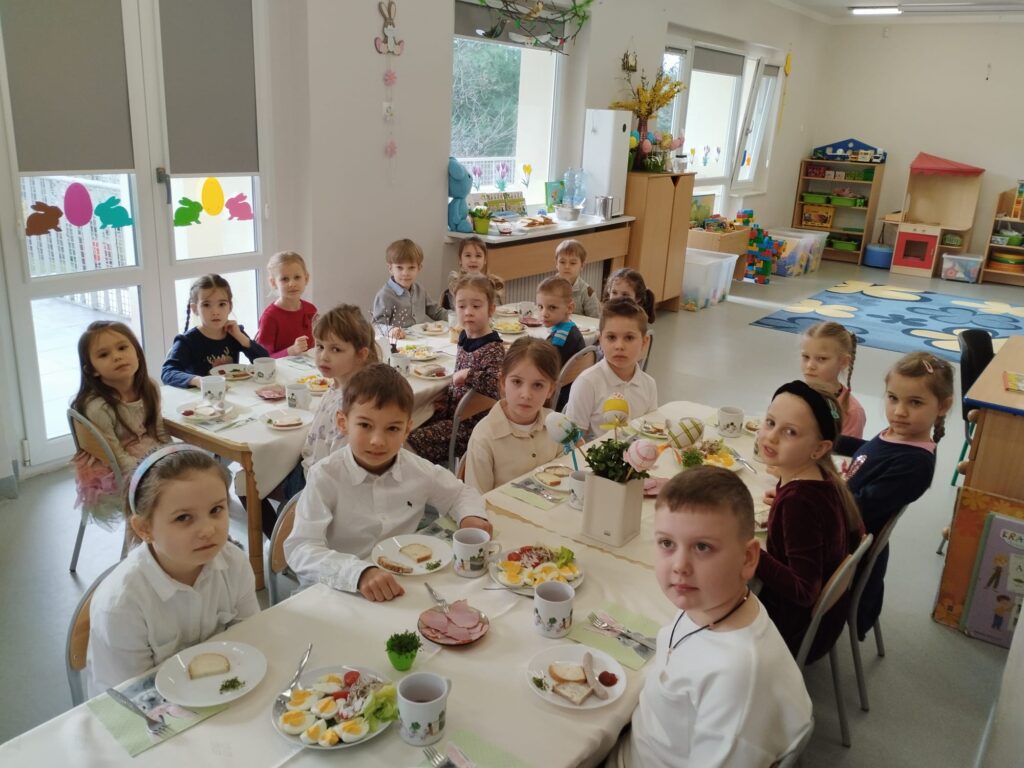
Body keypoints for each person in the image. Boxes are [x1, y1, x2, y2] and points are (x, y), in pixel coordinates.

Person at [606, 467, 812, 767]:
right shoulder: (711, 602)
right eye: (666, 543)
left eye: (702, 547)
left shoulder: (736, 679)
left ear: (748, 558)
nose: (679, 565)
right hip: (641, 739)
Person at [283, 364, 491, 602]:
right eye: (365, 425)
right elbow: (301, 549)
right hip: (340, 589)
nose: (377, 441)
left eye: (392, 428)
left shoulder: (417, 469)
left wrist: (471, 516)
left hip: (400, 584)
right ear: (343, 422)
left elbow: (460, 494)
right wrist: (358, 573)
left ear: (407, 429)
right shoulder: (325, 476)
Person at [86, 445, 259, 696]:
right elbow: (131, 695)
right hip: (148, 709)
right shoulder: (122, 604)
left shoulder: (234, 563)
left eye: (216, 510)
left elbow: (251, 639)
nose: (207, 530)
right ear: (144, 528)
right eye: (183, 518)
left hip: (222, 692)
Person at [834, 351, 953, 638]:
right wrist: (824, 438)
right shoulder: (897, 436)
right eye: (893, 398)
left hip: (843, 546)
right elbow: (870, 452)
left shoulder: (914, 465)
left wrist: (816, 491)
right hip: (840, 518)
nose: (899, 411)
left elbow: (857, 508)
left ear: (943, 406)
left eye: (915, 402)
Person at [755, 381, 864, 663]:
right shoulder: (822, 478)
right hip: (821, 624)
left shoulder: (799, 502)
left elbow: (804, 590)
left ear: (818, 449)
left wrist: (751, 551)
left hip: (790, 632)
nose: (771, 437)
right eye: (770, 422)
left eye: (790, 432)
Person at [272, 305, 381, 518]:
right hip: (313, 471)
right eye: (320, 346)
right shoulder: (338, 385)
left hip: (317, 483)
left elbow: (339, 468)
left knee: (250, 483)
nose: (323, 356)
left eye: (336, 349)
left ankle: (284, 532)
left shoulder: (353, 404)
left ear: (361, 354)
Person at [72, 321, 171, 527]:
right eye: (104, 355)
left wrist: (172, 458)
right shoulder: (99, 408)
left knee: (194, 474)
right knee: (180, 492)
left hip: (144, 450)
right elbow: (116, 457)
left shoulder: (149, 387)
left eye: (123, 348)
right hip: (116, 470)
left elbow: (159, 431)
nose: (117, 356)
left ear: (137, 353)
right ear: (92, 370)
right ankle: (167, 538)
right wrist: (155, 470)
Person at [406, 274, 504, 465]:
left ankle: (417, 475)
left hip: (472, 426)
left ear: (491, 309)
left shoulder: (493, 348)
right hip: (454, 413)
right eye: (461, 306)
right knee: (406, 423)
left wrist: (469, 375)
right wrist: (449, 398)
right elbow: (460, 383)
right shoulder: (464, 337)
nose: (468, 312)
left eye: (476, 306)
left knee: (409, 439)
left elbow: (497, 386)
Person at [464, 337, 563, 493]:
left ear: (550, 390)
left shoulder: (557, 425)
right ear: (503, 382)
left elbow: (564, 479)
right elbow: (476, 499)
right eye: (517, 382)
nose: (526, 394)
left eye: (538, 385)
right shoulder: (484, 437)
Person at [564, 298, 656, 438]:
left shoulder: (649, 384)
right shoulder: (587, 383)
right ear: (600, 340)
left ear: (644, 342)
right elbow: (572, 439)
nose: (619, 346)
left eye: (629, 338)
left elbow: (650, 433)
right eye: (611, 337)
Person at [161, 274, 269, 388]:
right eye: (206, 305)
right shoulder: (187, 341)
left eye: (222, 304)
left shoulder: (235, 332)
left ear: (230, 306)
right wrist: (197, 380)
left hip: (232, 392)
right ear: (195, 309)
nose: (215, 312)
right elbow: (167, 372)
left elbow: (266, 361)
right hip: (201, 396)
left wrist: (241, 338)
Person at [371, 238, 446, 340]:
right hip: (397, 344)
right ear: (390, 268)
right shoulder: (385, 295)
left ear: (419, 268)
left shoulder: (420, 290)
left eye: (411, 268)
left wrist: (457, 317)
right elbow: (376, 326)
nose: (405, 273)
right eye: (399, 268)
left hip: (420, 341)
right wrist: (392, 330)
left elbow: (436, 312)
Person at [800, 321, 865, 438]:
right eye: (806, 357)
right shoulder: (792, 395)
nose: (810, 365)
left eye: (821, 359)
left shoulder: (852, 412)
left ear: (843, 362)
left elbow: (846, 450)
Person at [255, 251, 318, 358]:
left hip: (309, 366)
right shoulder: (270, 317)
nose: (292, 284)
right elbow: (263, 358)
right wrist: (291, 350)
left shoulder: (311, 309)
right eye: (284, 279)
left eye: (297, 277)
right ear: (273, 283)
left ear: (306, 279)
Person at [536, 275, 585, 410]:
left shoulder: (560, 338)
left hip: (558, 399)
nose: (544, 313)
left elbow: (543, 367)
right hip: (570, 394)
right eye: (540, 307)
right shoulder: (569, 327)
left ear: (569, 308)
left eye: (552, 308)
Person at [441, 236, 505, 310]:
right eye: (468, 255)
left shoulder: (491, 283)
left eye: (478, 256)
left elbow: (496, 311)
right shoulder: (454, 284)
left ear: (485, 260)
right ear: (460, 260)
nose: (473, 260)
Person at [555, 239, 600, 318]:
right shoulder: (548, 287)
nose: (567, 266)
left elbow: (595, 319)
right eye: (562, 262)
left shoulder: (587, 292)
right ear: (556, 264)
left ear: (582, 266)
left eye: (572, 263)